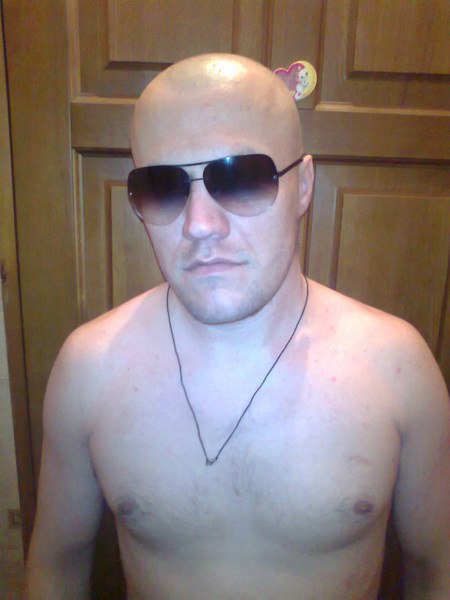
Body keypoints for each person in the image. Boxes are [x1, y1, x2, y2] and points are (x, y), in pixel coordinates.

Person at [24, 53, 449, 599]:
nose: (200, 225)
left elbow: (437, 568)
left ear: (303, 185)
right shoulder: (88, 369)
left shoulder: (398, 367)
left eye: (242, 177)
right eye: (163, 186)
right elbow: (56, 569)